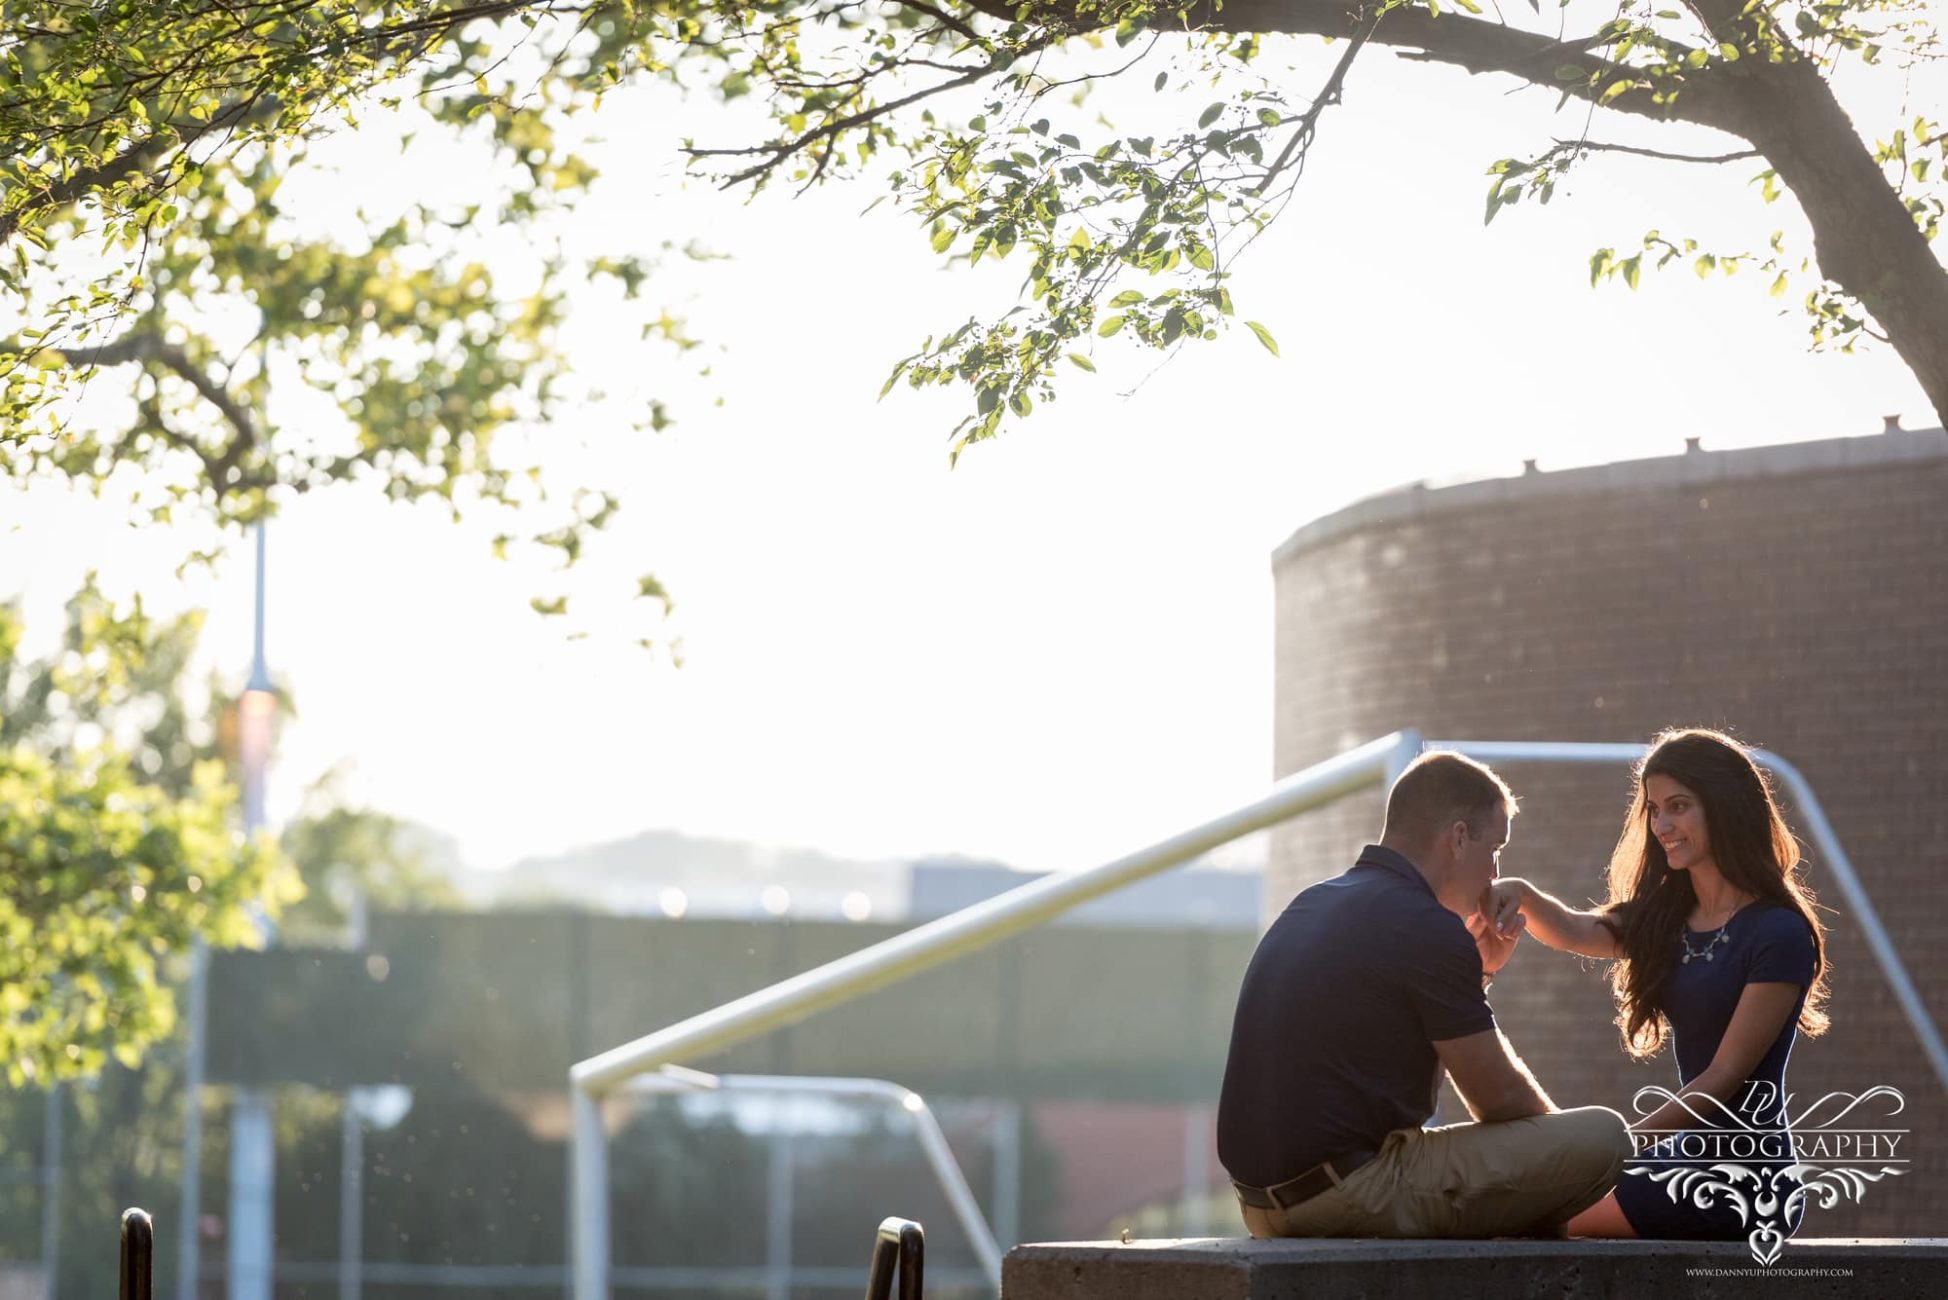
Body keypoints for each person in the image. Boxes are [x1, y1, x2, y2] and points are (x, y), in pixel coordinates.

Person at [1217, 750, 1634, 1239]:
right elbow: (1498, 1100)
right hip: (1350, 1193)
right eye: (1494, 851)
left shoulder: (1314, 900)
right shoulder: (1426, 926)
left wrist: (1476, 974)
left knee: (1531, 1190)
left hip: (1260, 1206)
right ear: (1458, 838)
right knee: (1604, 1138)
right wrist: (1555, 1159)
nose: (1494, 874)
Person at [1484, 727, 1829, 1239]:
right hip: (1678, 1159)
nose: (1662, 824)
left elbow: (1722, 1078)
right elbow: (1577, 930)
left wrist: (1615, 1144)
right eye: (1653, 808)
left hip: (1748, 1179)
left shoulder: (1779, 933)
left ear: (1724, 806)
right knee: (1514, 1203)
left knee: (1531, 1218)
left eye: (1679, 806)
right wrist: (1523, 895)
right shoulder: (1668, 918)